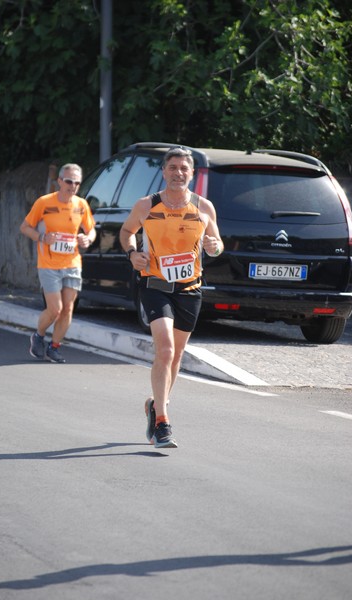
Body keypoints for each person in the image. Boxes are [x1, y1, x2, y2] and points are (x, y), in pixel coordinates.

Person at [119, 147, 224, 448]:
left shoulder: (204, 207)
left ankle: (155, 403)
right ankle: (163, 421)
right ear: (163, 171)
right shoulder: (147, 205)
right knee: (164, 350)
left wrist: (214, 246)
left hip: (190, 289)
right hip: (155, 285)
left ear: (192, 174)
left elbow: (217, 247)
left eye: (184, 169)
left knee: (176, 355)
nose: (178, 173)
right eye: (173, 167)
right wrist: (132, 254)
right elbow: (127, 231)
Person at [19, 163, 96, 363]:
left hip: (72, 263)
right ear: (60, 181)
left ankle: (54, 347)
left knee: (68, 309)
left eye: (77, 183)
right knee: (55, 309)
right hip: (48, 263)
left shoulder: (81, 205)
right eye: (69, 181)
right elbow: (25, 227)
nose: (72, 186)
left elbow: (91, 230)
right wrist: (42, 238)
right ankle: (38, 335)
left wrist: (87, 239)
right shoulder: (44, 203)